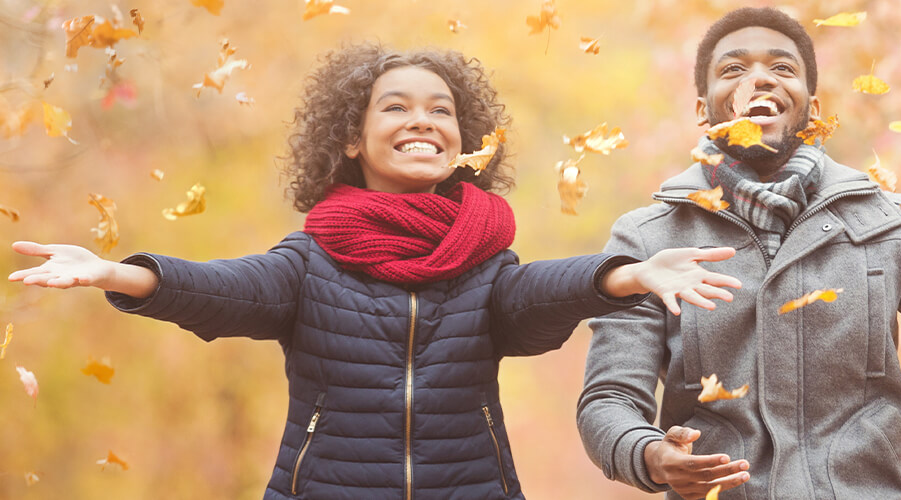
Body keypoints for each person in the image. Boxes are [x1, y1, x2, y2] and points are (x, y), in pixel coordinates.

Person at [8, 44, 743, 500]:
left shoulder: (485, 261)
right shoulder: (311, 261)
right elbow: (221, 289)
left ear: (464, 142)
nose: (423, 120)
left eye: (442, 110)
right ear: (354, 138)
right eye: (397, 107)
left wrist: (630, 274)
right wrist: (113, 272)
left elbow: (536, 294)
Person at [576, 7, 901, 499]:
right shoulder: (648, 239)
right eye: (733, 69)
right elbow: (608, 398)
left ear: (812, 106)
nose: (760, 80)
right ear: (704, 108)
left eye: (783, 68)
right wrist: (649, 454)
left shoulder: (890, 224)